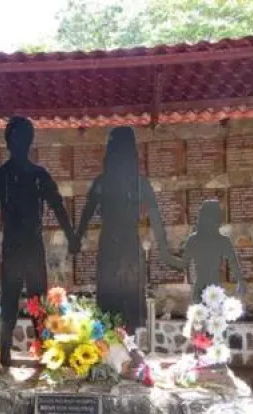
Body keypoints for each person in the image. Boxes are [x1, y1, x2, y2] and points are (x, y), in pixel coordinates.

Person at [0, 116, 74, 366]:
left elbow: (57, 206)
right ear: (8, 141)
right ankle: (4, 352)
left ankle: (45, 351)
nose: (20, 143)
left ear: (30, 141)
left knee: (38, 301)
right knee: (9, 300)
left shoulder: (39, 174)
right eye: (16, 138)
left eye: (24, 138)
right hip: (13, 247)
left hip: (32, 247)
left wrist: (72, 236)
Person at [71, 126, 175, 334]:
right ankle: (129, 341)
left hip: (111, 243)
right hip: (128, 244)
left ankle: (112, 342)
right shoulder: (139, 183)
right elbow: (156, 219)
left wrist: (77, 239)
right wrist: (164, 248)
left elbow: (86, 215)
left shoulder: (103, 182)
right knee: (128, 297)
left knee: (111, 298)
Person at [168, 199, 246, 303]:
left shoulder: (194, 239)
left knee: (204, 312)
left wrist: (168, 258)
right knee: (211, 312)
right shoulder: (223, 241)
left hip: (203, 288)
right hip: (213, 288)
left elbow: (183, 264)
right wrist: (240, 281)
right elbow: (233, 264)